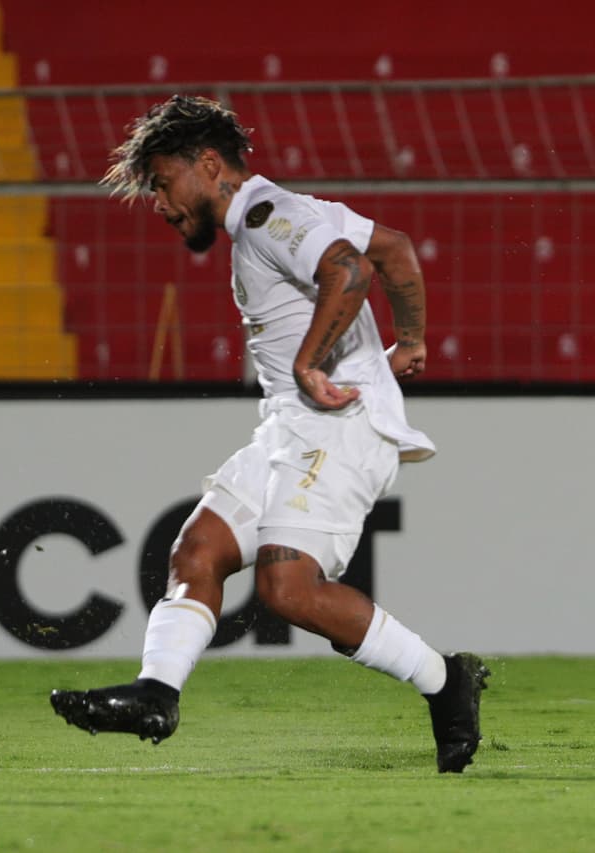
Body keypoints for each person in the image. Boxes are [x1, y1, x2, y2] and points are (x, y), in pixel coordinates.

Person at [49, 95, 489, 773]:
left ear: (208, 164)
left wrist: (312, 362)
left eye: (164, 185)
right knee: (198, 551)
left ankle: (444, 680)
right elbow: (395, 250)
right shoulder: (290, 209)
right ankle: (156, 694)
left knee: (289, 590)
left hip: (337, 424)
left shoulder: (263, 218)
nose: (162, 206)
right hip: (293, 423)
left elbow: (350, 269)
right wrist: (411, 340)